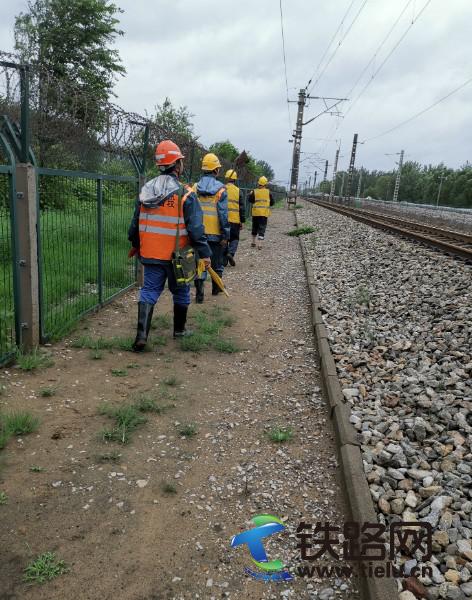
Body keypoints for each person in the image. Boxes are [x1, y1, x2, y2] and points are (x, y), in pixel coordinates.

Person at [128, 140, 211, 351]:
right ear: (177, 164)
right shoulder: (185, 194)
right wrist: (205, 253)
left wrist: (136, 245)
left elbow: (135, 224)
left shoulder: (147, 191)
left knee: (149, 290)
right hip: (178, 257)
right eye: (181, 162)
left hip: (151, 254)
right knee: (181, 291)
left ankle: (141, 335)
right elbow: (195, 229)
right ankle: (180, 331)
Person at [193, 153, 229, 302]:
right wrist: (225, 235)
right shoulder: (221, 189)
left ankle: (200, 294)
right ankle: (216, 289)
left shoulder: (195, 188)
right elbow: (222, 214)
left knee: (200, 263)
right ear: (216, 170)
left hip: (198, 233)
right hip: (216, 234)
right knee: (216, 262)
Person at [223, 169, 245, 267]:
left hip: (223, 219)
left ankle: (223, 260)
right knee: (234, 239)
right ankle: (230, 253)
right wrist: (242, 221)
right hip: (235, 220)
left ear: (227, 178)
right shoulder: (238, 191)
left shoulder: (222, 189)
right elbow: (242, 207)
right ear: (235, 180)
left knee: (224, 239)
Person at [247, 176, 275, 250]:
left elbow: (250, 200)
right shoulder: (269, 192)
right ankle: (260, 244)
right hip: (264, 214)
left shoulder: (254, 191)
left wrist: (250, 194)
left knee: (254, 227)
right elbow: (272, 203)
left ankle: (253, 242)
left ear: (259, 183)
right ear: (265, 184)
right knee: (262, 228)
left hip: (256, 213)